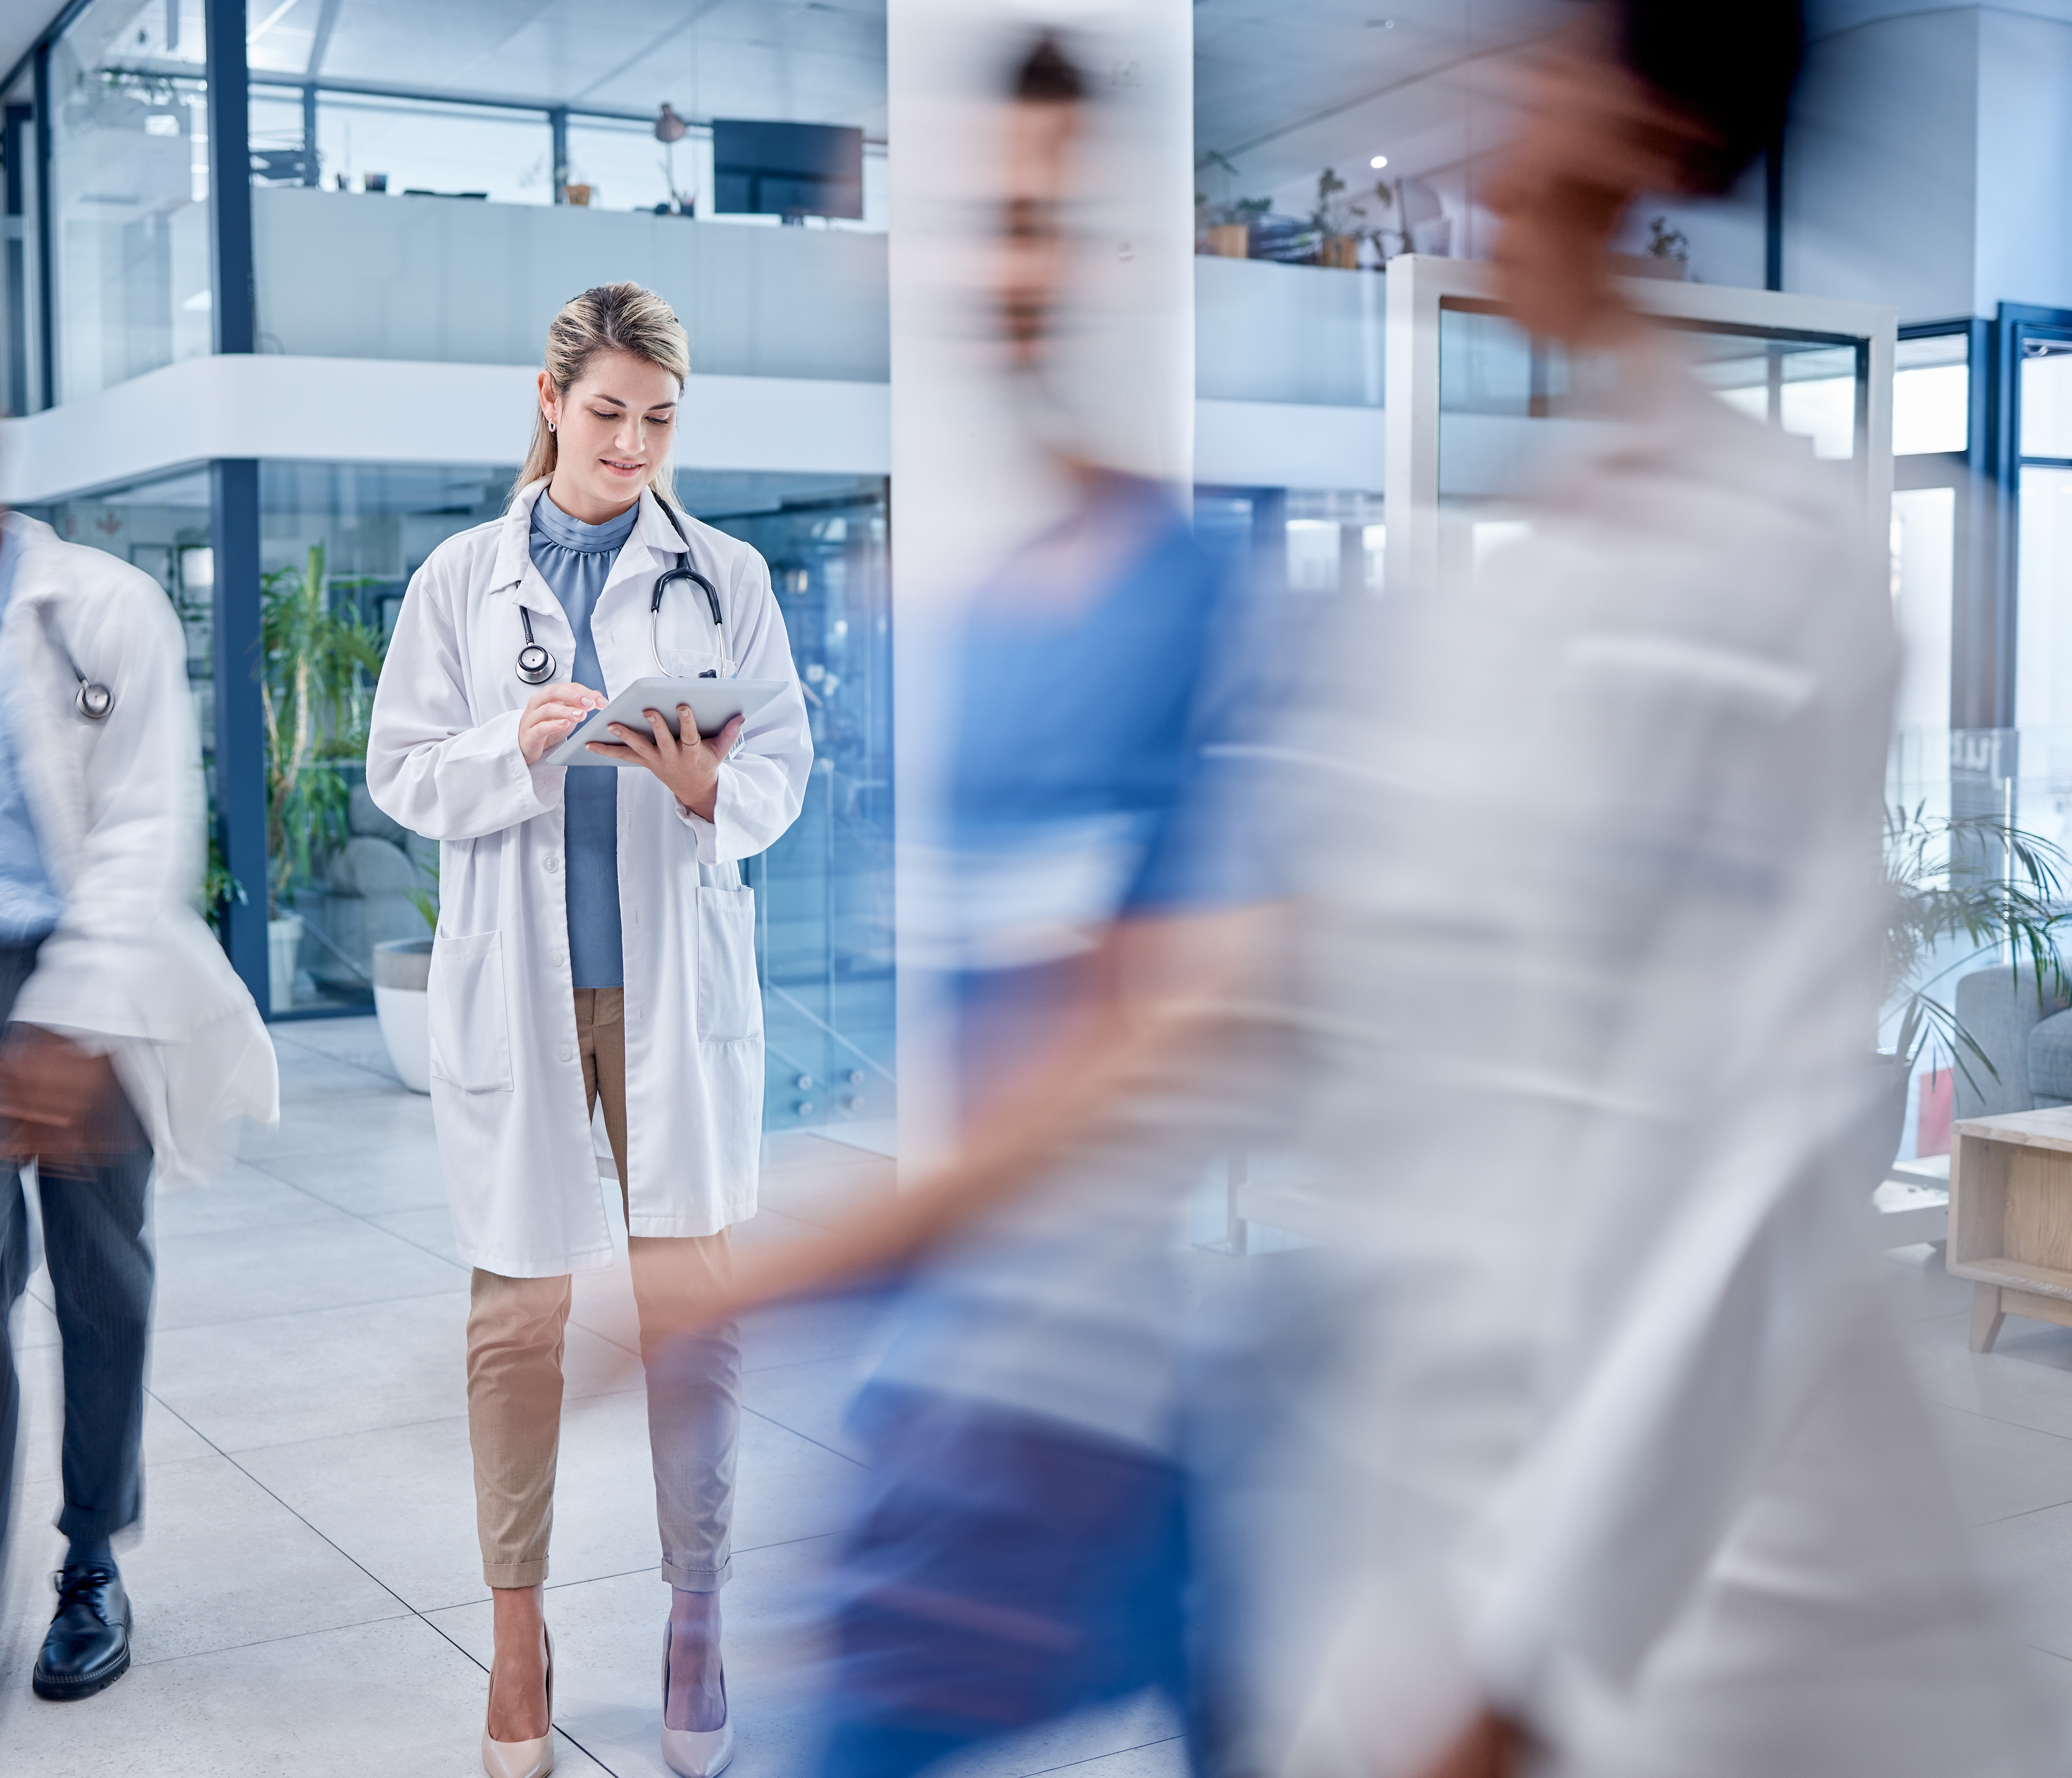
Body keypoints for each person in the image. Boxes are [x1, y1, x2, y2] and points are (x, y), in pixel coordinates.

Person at [1276, 5, 2054, 1775]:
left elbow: (1778, 1131)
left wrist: (1525, 1650)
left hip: (1720, 1567)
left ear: (1641, 132)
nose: (1461, 130)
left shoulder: (1771, 564)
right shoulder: (1507, 577)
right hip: (1473, 1486)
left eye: (1519, 63)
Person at [668, 37, 1297, 1778]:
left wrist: (751, 1274)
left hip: (1061, 1407)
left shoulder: (1186, 596)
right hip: (969, 1382)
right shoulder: (940, 610)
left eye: (1046, 218)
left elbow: (1118, 1060)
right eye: (977, 220)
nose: (1010, 263)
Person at [366, 282, 812, 1778]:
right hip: (522, 985)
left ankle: (698, 1611)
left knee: (693, 1300)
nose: (634, 444)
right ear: (552, 399)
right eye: (610, 411)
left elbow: (785, 763)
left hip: (673, 984)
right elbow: (402, 773)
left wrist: (711, 794)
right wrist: (514, 742)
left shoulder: (726, 574)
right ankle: (516, 1632)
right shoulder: (461, 580)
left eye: (661, 419)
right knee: (518, 1318)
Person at [0, 377, 275, 1714]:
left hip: (88, 968)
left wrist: (73, 1013)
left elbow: (146, 821)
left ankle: (88, 1558)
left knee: (101, 1280)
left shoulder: (103, 605)